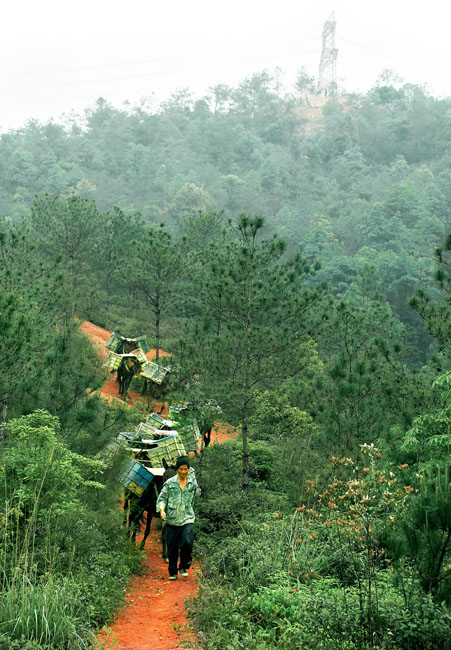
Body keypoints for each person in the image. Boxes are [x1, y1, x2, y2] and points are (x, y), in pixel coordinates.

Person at [156, 456, 200, 580]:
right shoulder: (170, 483)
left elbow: (195, 497)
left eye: (185, 469)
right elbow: (162, 499)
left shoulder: (191, 484)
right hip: (172, 519)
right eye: (181, 469)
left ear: (188, 469)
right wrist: (162, 510)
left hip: (187, 518)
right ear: (177, 470)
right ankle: (173, 571)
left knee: (188, 541)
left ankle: (184, 566)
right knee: (172, 546)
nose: (183, 472)